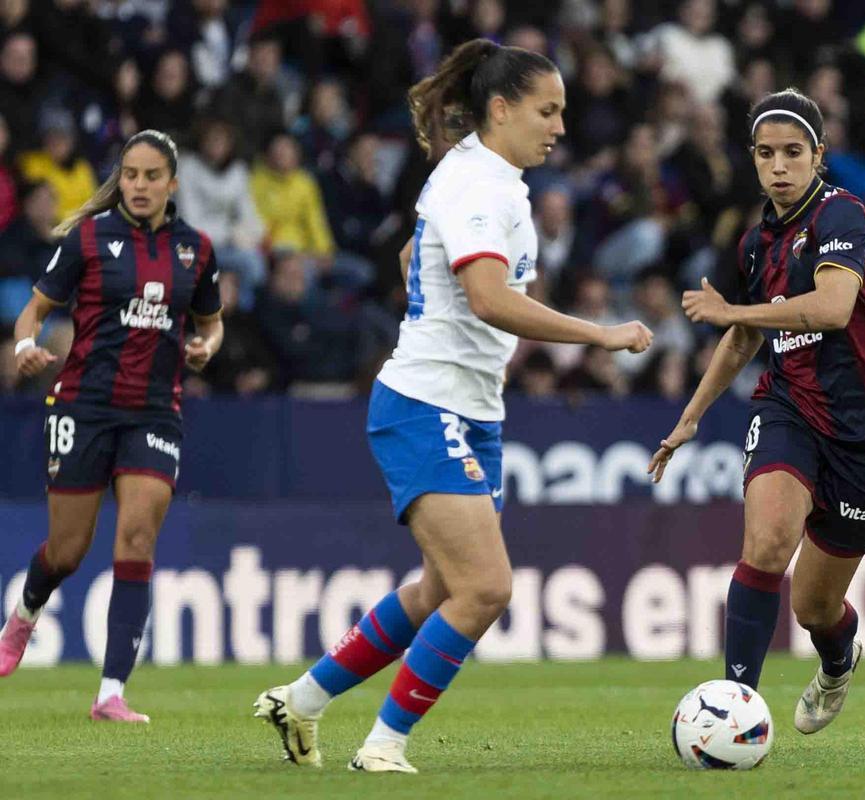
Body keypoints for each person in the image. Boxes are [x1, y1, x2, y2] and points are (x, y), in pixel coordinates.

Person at [253, 39, 652, 774]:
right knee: (485, 588)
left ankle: (302, 700)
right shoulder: (480, 186)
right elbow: (490, 297)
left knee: (441, 588)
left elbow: (414, 259)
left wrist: (436, 309)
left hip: (471, 407)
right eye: (547, 110)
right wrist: (598, 333)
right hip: (425, 401)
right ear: (501, 109)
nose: (559, 127)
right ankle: (382, 747)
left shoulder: (476, 175)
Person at [648, 89, 865, 736]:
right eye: (766, 154)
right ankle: (732, 709)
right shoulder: (754, 243)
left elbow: (830, 309)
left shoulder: (843, 217)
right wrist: (690, 416)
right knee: (767, 543)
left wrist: (734, 311)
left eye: (793, 153)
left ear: (818, 156)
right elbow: (743, 339)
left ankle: (836, 661)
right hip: (790, 408)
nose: (778, 166)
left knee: (816, 606)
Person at [0, 130, 224, 722]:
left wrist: (207, 344)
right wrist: (24, 343)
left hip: (154, 411)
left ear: (172, 183)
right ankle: (22, 616)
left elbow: (213, 319)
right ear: (119, 180)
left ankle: (111, 693)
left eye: (153, 176)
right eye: (131, 175)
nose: (141, 185)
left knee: (137, 538)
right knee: (68, 550)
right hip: (83, 406)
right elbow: (37, 307)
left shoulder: (195, 250)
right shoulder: (88, 239)